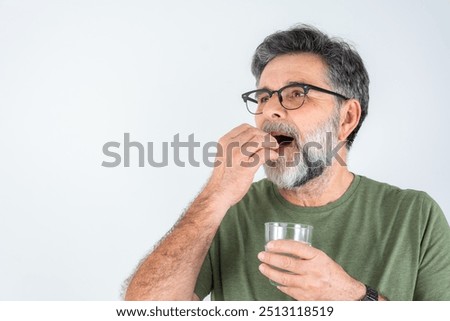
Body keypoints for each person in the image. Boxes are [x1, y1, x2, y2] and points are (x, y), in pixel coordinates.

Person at [124, 24, 450, 301]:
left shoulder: (415, 216)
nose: (269, 111)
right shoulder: (227, 211)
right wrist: (215, 193)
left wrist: (352, 297)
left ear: (346, 118)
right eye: (263, 97)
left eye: (296, 93)